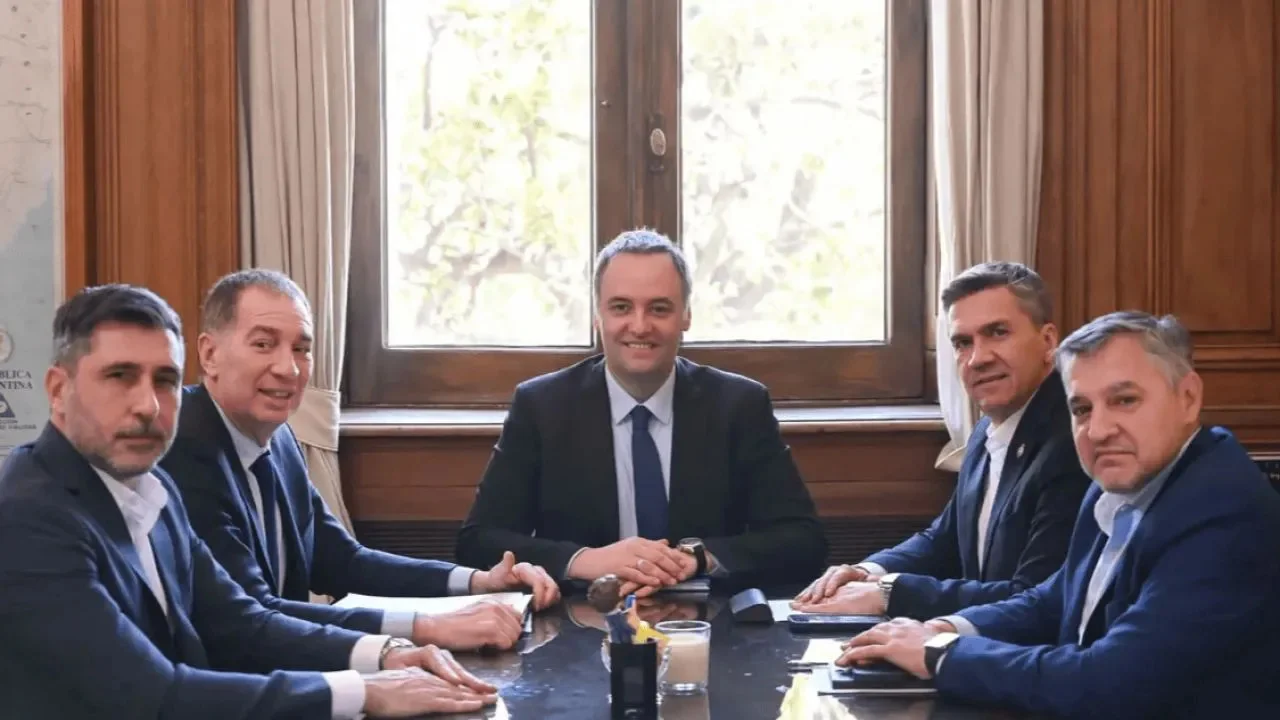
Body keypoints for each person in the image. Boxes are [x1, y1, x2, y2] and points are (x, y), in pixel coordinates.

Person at [0, 284, 499, 718]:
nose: (148, 405)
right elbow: (152, 695)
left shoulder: (154, 488)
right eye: (119, 377)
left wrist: (388, 654)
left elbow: (242, 623)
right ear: (58, 390)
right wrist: (363, 691)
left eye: (165, 381)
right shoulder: (27, 517)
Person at [837, 311, 1280, 719]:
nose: (1098, 430)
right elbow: (1056, 600)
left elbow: (1111, 681)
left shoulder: (1223, 513)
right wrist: (944, 628)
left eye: (1125, 400)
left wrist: (942, 654)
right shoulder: (1120, 480)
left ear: (1188, 398)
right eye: (1082, 409)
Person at [159, 270, 559, 654]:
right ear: (210, 354)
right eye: (264, 344)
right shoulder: (182, 449)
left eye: (301, 349)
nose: (289, 368)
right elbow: (253, 616)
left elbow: (342, 560)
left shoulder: (279, 440)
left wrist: (480, 582)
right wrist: (426, 627)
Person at [456, 229, 826, 595]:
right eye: (621, 307)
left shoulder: (739, 405)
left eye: (659, 309)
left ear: (686, 315)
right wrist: (585, 560)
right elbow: (478, 541)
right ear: (598, 316)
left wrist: (699, 558)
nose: (639, 326)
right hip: (580, 618)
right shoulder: (542, 406)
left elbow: (803, 540)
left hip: (707, 620)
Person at [794, 262, 1090, 619]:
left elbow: (1032, 596)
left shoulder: (1075, 441)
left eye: (998, 333)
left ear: (1048, 341)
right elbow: (945, 539)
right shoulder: (988, 428)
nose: (978, 359)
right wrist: (867, 571)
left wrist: (889, 594)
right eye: (963, 343)